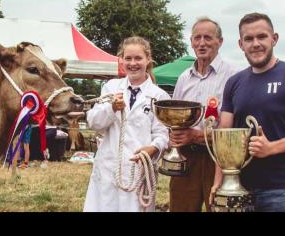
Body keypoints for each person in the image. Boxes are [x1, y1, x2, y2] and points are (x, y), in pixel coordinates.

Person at [210, 12, 285, 212]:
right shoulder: (234, 83)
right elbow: (223, 137)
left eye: (262, 36)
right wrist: (218, 183)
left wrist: (271, 148)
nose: (255, 43)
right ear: (241, 44)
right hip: (238, 189)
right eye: (249, 39)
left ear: (274, 39)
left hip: (280, 191)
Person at [83, 36, 170, 212]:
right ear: (121, 60)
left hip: (138, 171)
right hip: (108, 168)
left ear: (148, 59)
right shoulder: (110, 88)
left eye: (138, 58)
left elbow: (163, 134)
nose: (133, 63)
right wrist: (111, 108)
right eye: (128, 58)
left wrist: (153, 148)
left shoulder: (159, 96)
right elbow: (93, 122)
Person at [169, 17, 239, 212]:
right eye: (197, 38)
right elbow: (173, 117)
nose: (201, 43)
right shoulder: (184, 77)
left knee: (218, 208)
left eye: (208, 37)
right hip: (186, 157)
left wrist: (197, 135)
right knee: (180, 207)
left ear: (220, 42)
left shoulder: (234, 75)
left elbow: (235, 127)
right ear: (191, 41)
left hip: (219, 159)